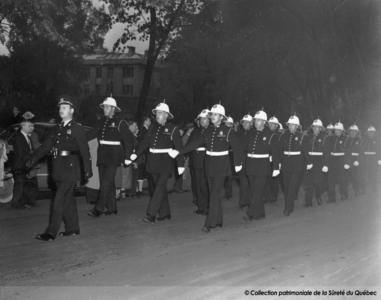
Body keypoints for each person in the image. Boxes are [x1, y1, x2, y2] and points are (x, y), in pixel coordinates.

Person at [169, 104, 243, 233]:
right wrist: (179, 152)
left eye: (215, 115)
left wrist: (237, 163)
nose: (212, 117)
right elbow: (195, 143)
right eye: (211, 115)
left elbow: (237, 147)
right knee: (213, 193)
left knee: (214, 194)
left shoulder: (228, 131)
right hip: (208, 165)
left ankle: (209, 223)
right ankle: (218, 220)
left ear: (221, 117)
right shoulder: (209, 130)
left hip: (221, 166)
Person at [29, 96, 92, 241]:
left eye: (64, 108)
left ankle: (50, 233)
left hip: (71, 169)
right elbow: (46, 146)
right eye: (60, 108)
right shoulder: (57, 128)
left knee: (58, 200)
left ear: (72, 110)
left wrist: (87, 170)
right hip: (58, 168)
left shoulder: (77, 128)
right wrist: (32, 159)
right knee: (68, 200)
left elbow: (84, 150)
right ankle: (73, 228)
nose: (61, 110)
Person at [131, 102, 185, 224]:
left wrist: (180, 164)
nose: (157, 115)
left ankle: (151, 215)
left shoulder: (173, 129)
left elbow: (179, 147)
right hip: (152, 162)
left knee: (159, 188)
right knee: (158, 189)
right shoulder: (152, 127)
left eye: (160, 113)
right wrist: (136, 154)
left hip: (166, 163)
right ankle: (165, 213)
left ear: (166, 115)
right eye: (156, 113)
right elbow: (145, 143)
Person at [87, 97, 135, 217]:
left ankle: (98, 209)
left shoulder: (120, 122)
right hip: (102, 154)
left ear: (113, 108)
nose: (104, 109)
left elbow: (129, 140)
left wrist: (128, 156)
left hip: (114, 155)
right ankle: (112, 208)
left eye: (107, 107)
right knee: (108, 183)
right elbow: (90, 134)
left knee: (105, 184)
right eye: (103, 107)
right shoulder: (101, 122)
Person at [243, 110, 280, 222]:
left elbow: (276, 153)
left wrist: (276, 168)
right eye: (255, 120)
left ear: (264, 122)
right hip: (251, 165)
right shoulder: (251, 133)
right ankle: (261, 212)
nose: (256, 122)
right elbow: (244, 148)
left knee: (258, 190)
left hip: (263, 167)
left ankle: (250, 213)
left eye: (259, 120)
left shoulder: (270, 135)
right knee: (254, 190)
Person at [278, 115, 311, 216]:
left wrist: (309, 162)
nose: (291, 126)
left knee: (291, 186)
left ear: (297, 126)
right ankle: (290, 206)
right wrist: (279, 162)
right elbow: (280, 150)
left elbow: (305, 151)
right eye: (290, 124)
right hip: (285, 165)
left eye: (294, 125)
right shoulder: (283, 136)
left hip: (296, 165)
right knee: (286, 187)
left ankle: (287, 208)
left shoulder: (301, 137)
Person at [186, 109, 210, 215]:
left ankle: (207, 207)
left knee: (205, 186)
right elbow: (189, 145)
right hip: (195, 161)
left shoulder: (212, 131)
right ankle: (200, 207)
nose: (202, 121)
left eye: (205, 119)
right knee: (197, 185)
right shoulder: (195, 131)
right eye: (201, 119)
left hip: (206, 161)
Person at [11, 119, 38, 209]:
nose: (30, 127)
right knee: (19, 186)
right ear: (22, 126)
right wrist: (29, 162)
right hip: (20, 166)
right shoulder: (18, 137)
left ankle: (26, 203)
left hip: (26, 165)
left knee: (25, 185)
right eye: (28, 126)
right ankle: (16, 205)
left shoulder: (28, 137)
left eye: (31, 126)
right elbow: (20, 153)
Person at [303, 119, 329, 207]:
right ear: (312, 128)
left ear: (321, 129)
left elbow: (326, 152)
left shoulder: (324, 138)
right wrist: (307, 161)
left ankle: (318, 197)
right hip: (309, 161)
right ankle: (308, 202)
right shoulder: (308, 137)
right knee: (307, 182)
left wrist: (325, 164)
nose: (316, 129)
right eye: (314, 127)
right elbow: (305, 149)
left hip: (319, 162)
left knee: (317, 182)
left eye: (318, 127)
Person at [324, 122, 351, 203]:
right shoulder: (331, 138)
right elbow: (328, 151)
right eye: (335, 130)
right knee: (330, 180)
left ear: (342, 131)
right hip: (332, 161)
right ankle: (331, 198)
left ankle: (344, 194)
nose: (336, 132)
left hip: (341, 161)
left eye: (338, 130)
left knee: (342, 180)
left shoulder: (346, 139)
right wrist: (326, 163)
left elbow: (348, 152)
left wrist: (347, 162)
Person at [263, 116, 282, 203]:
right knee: (267, 178)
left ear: (276, 126)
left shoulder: (278, 135)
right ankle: (267, 195)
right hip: (266, 159)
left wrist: (278, 162)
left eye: (273, 124)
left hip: (274, 159)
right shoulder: (266, 133)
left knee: (273, 178)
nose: (271, 125)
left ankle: (275, 194)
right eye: (270, 123)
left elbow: (279, 149)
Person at [236, 113, 253, 209]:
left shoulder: (254, 133)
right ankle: (243, 202)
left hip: (251, 159)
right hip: (241, 159)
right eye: (244, 122)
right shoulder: (238, 133)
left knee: (251, 182)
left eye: (248, 122)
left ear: (251, 124)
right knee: (242, 181)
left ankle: (251, 201)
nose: (245, 124)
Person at [361, 126, 381, 193]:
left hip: (374, 159)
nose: (371, 134)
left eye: (372, 132)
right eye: (369, 132)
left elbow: (379, 150)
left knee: (373, 174)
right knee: (363, 175)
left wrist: (379, 159)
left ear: (374, 133)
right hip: (365, 158)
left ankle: (374, 188)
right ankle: (363, 190)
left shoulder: (377, 140)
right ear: (367, 133)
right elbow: (362, 150)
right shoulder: (364, 140)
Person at [346, 125, 363, 196]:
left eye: (354, 132)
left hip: (356, 160)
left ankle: (357, 190)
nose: (352, 133)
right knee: (347, 176)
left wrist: (358, 160)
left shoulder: (360, 141)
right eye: (351, 131)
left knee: (355, 176)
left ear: (357, 133)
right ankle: (345, 192)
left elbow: (361, 152)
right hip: (348, 160)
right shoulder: (347, 140)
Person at [223, 116, 235, 201]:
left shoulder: (232, 133)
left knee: (229, 176)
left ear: (231, 125)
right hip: (223, 155)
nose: (227, 125)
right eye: (226, 123)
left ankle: (228, 193)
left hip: (230, 156)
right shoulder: (222, 132)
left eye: (229, 123)